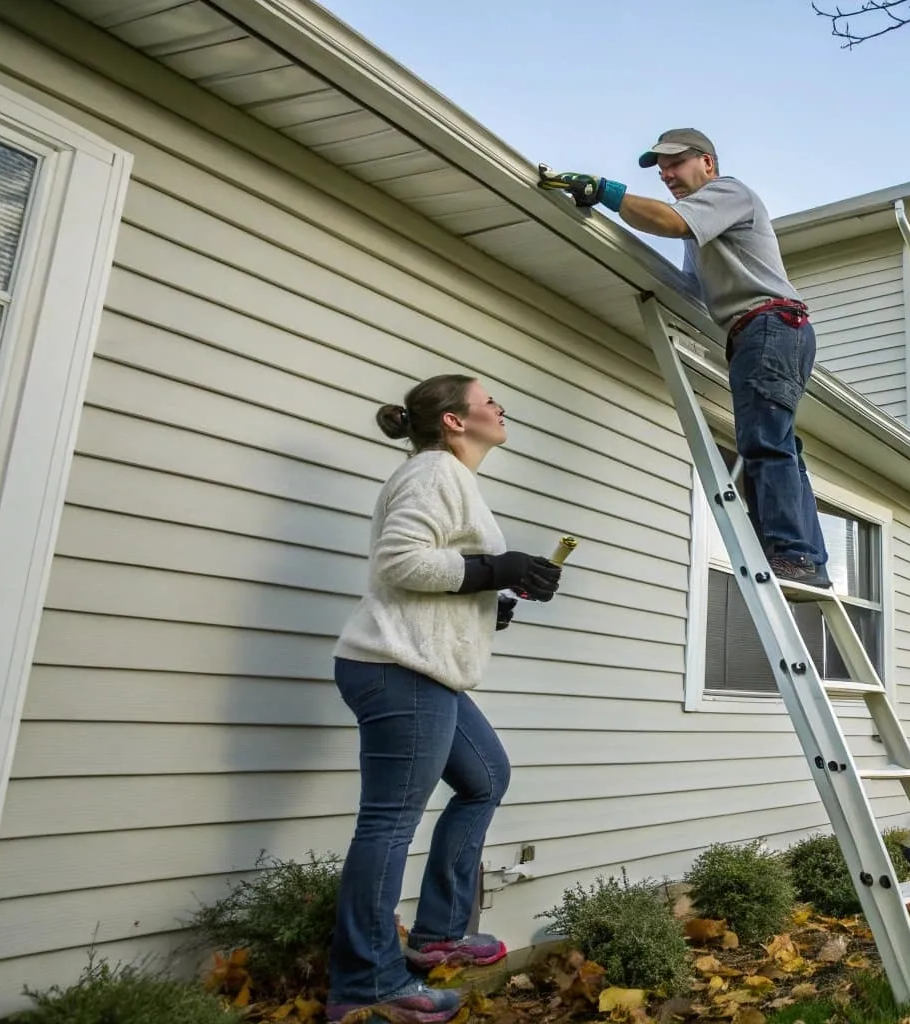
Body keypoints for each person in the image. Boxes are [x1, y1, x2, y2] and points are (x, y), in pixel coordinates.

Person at [325, 373, 563, 1023]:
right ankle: (367, 980)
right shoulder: (433, 472)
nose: (500, 406)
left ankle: (436, 935)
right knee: (388, 824)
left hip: (427, 669)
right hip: (397, 668)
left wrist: (498, 598)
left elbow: (440, 576)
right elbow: (400, 563)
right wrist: (497, 569)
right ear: (455, 421)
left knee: (485, 779)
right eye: (489, 401)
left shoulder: (454, 479)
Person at [542, 129, 830, 588]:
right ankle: (809, 558)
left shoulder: (729, 193)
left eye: (675, 164)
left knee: (764, 445)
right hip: (765, 331)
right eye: (662, 170)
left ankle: (792, 555)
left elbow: (670, 221)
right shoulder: (701, 238)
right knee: (781, 448)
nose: (667, 174)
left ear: (708, 164)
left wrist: (605, 193)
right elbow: (691, 294)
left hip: (770, 326)